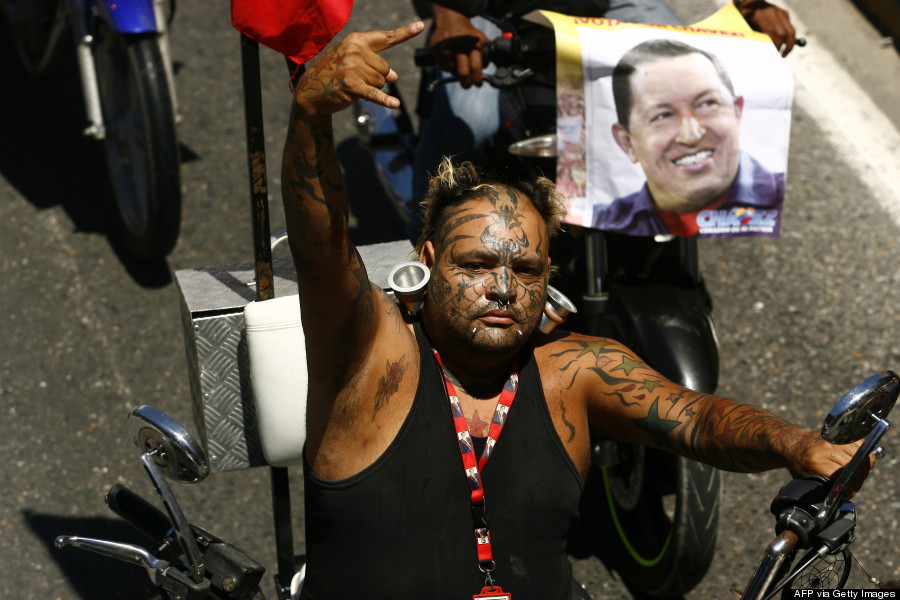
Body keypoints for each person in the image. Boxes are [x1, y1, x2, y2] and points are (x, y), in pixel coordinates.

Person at [282, 23, 869, 600]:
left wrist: (796, 445)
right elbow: (322, 247)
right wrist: (310, 116)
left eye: (528, 270)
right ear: (428, 260)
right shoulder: (368, 352)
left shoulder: (576, 371)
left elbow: (697, 419)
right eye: (477, 265)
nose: (505, 288)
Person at [408, 0, 797, 241]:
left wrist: (753, 2)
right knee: (469, 125)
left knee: (682, 71)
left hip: (607, 2)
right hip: (486, 8)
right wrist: (448, 14)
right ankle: (421, 249)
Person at [592, 39, 784, 237]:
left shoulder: (783, 199)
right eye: (663, 116)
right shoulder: (598, 220)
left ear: (737, 112)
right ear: (627, 142)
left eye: (707, 104)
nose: (691, 135)